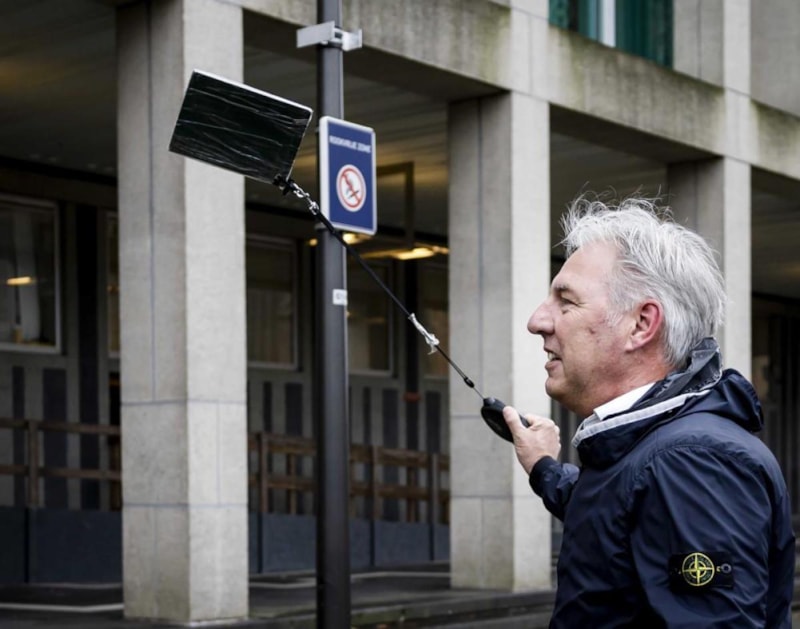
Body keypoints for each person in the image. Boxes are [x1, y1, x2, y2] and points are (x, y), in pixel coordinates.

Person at [503, 196, 795, 628]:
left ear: (641, 324)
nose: (537, 321)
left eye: (566, 301)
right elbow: (615, 514)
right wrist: (544, 467)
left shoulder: (691, 460)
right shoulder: (657, 449)